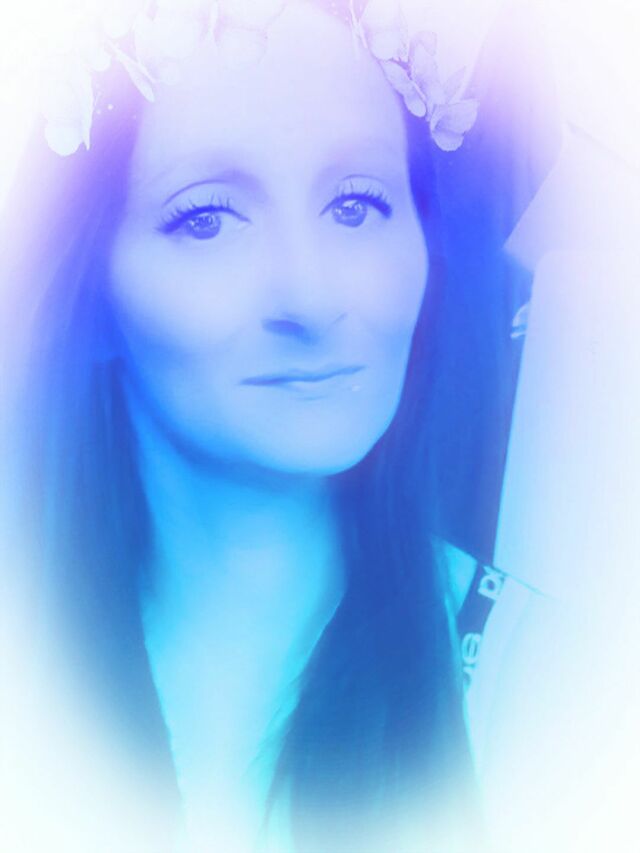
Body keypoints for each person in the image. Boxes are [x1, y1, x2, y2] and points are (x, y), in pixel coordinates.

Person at [0, 1, 546, 851]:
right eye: (207, 219)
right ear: (92, 293)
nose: (310, 296)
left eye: (356, 205)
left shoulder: (550, 690)